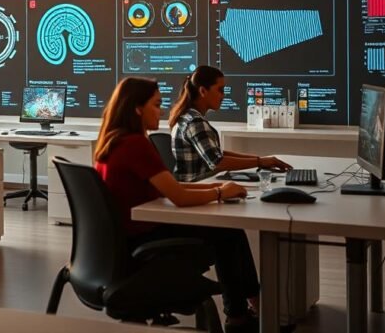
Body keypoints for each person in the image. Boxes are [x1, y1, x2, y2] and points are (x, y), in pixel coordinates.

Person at [94, 77, 260, 333]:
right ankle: (242, 314)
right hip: (143, 242)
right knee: (228, 232)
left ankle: (245, 309)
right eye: (156, 104)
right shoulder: (136, 144)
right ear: (137, 108)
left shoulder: (114, 141)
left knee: (228, 231)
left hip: (122, 242)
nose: (161, 110)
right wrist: (218, 192)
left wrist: (219, 190)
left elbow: (172, 187)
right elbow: (179, 198)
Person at [170, 65, 291, 182]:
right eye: (220, 90)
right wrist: (260, 162)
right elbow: (217, 162)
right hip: (198, 188)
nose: (223, 96)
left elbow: (218, 154)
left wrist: (261, 160)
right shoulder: (195, 122)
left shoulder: (187, 117)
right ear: (203, 91)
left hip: (198, 184)